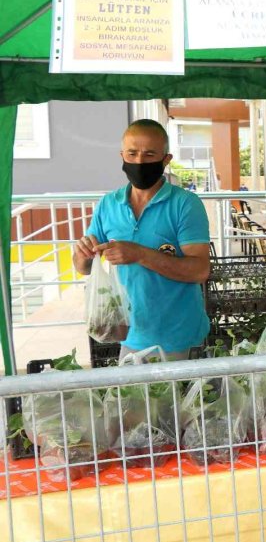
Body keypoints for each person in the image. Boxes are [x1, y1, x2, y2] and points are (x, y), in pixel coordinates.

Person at [73, 120, 211, 361]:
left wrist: (140, 254)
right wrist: (83, 255)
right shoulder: (109, 204)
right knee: (131, 398)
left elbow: (200, 270)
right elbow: (83, 267)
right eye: (132, 153)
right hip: (130, 334)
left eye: (149, 155)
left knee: (177, 399)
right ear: (122, 155)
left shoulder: (185, 204)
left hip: (179, 336)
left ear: (166, 159)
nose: (139, 162)